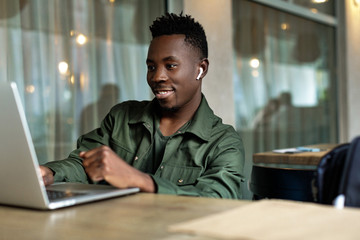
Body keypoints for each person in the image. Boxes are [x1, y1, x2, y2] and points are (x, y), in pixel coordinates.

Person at [40, 12, 245, 199]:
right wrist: (50, 173)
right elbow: (83, 164)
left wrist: (140, 180)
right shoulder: (121, 117)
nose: (157, 77)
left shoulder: (224, 143)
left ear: (200, 69)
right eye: (151, 67)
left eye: (170, 66)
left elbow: (217, 200)